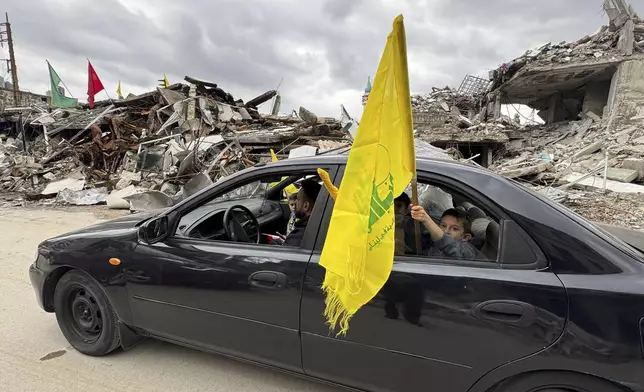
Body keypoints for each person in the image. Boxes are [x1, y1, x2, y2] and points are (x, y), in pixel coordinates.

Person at [410, 204, 480, 260]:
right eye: (443, 226)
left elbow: (449, 245)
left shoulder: (467, 251)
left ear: (465, 237)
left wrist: (426, 220)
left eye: (454, 229)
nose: (446, 231)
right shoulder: (430, 241)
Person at [283, 179, 321, 247]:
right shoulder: (320, 222)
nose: (295, 202)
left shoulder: (299, 237)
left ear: (306, 206)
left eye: (298, 199)